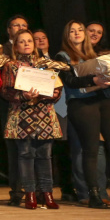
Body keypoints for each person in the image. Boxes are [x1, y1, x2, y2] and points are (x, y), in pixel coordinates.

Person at [56, 21, 110, 209]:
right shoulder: (63, 56)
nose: (77, 33)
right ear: (67, 35)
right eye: (72, 31)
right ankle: (94, 194)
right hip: (82, 103)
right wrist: (94, 80)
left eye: (80, 30)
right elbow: (70, 81)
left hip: (104, 100)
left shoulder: (96, 56)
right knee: (90, 149)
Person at [0, 30, 63, 209]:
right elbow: (5, 91)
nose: (26, 44)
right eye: (22, 41)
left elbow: (57, 88)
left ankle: (47, 194)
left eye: (29, 41)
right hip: (22, 115)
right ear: (16, 45)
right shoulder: (11, 65)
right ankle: (30, 194)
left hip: (44, 114)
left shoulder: (45, 64)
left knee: (45, 155)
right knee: (26, 154)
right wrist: (23, 95)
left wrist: (52, 94)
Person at [34, 29, 75, 201]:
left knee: (63, 150)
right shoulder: (32, 62)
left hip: (61, 108)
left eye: (44, 38)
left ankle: (67, 188)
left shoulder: (58, 59)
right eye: (36, 39)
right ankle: (42, 189)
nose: (41, 40)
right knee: (43, 152)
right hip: (40, 110)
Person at [0, 15, 29, 206]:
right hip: (9, 105)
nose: (20, 28)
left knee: (33, 151)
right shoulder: (1, 50)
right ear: (8, 30)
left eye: (24, 25)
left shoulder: (35, 52)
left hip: (34, 106)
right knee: (15, 151)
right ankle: (17, 191)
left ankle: (35, 189)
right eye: (15, 25)